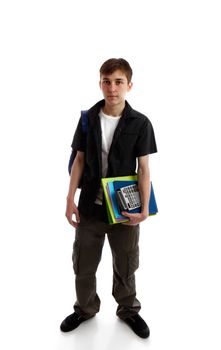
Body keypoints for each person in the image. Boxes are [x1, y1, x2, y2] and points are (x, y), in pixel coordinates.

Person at [60, 58, 157, 339]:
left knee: (126, 264)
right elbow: (79, 160)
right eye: (106, 81)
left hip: (125, 210)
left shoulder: (141, 123)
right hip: (91, 207)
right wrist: (69, 199)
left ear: (129, 85)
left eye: (118, 82)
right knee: (84, 264)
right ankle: (85, 309)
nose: (112, 88)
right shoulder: (87, 119)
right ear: (99, 83)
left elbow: (145, 169)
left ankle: (128, 310)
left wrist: (144, 211)